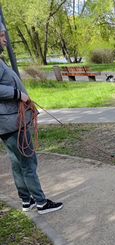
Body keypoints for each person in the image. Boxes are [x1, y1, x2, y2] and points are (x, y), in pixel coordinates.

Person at [0, 22, 63, 215]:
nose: (5, 39)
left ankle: (27, 201)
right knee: (28, 162)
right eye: (2, 36)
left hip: (9, 122)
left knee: (18, 162)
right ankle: (41, 202)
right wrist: (19, 95)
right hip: (12, 122)